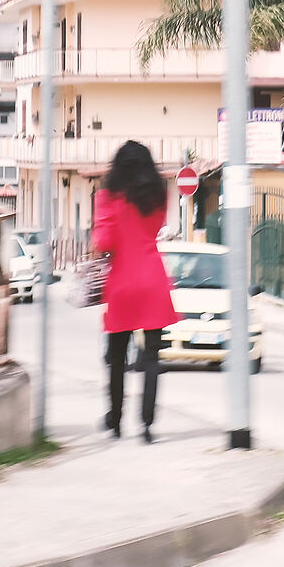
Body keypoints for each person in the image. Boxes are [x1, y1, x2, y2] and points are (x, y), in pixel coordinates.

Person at [92, 140, 178, 442]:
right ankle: (147, 425)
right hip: (153, 279)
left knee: (117, 358)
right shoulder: (158, 195)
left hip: (123, 284)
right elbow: (155, 229)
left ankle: (115, 420)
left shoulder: (107, 197)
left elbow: (104, 242)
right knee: (152, 358)